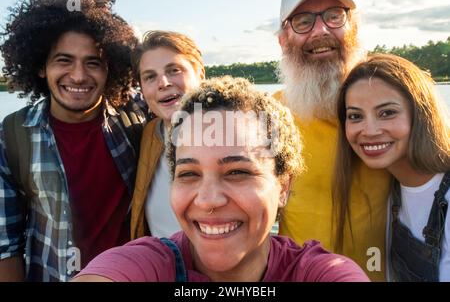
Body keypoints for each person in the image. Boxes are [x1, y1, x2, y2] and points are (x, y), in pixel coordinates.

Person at [73, 76, 369, 282]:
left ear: (283, 185)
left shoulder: (319, 272)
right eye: (189, 174)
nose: (208, 199)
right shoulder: (148, 265)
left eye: (237, 172)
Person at [0, 0, 149, 281]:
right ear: (41, 67)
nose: (79, 75)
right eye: (64, 60)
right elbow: (6, 244)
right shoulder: (13, 134)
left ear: (111, 70)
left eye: (93, 63)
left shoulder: (138, 117)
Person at [275, 0, 390, 280]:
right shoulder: (267, 115)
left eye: (334, 16)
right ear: (283, 40)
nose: (321, 31)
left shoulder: (396, 101)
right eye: (303, 21)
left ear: (353, 28)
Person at [335, 54, 450, 282]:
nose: (369, 130)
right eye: (355, 116)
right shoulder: (389, 190)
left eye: (387, 113)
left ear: (420, 115)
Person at [130, 30, 205, 239]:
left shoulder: (234, 132)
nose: (163, 83)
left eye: (174, 70)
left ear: (200, 74)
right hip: (160, 268)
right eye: (150, 77)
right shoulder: (149, 135)